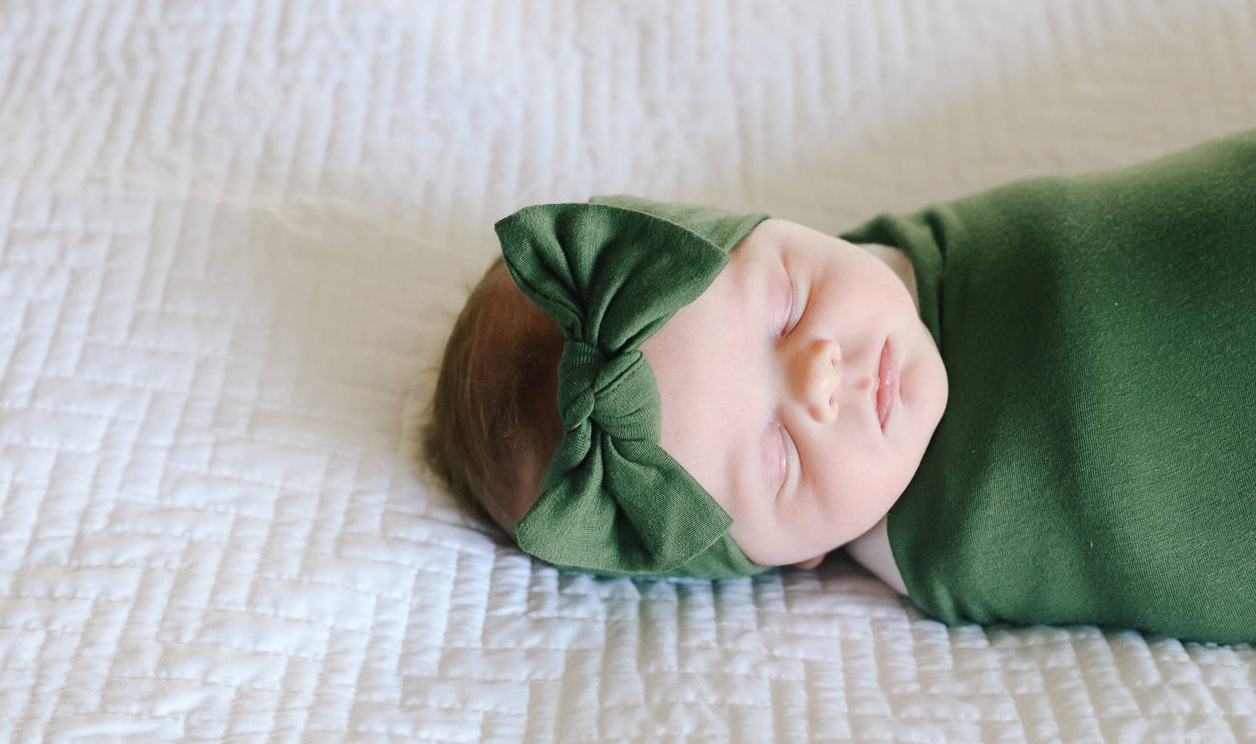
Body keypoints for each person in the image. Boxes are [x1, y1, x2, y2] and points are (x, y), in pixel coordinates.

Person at [425, 130, 1256, 645]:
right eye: (780, 456)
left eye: (785, 306)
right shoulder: (930, 550)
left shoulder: (911, 262)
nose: (820, 374)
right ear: (796, 557)